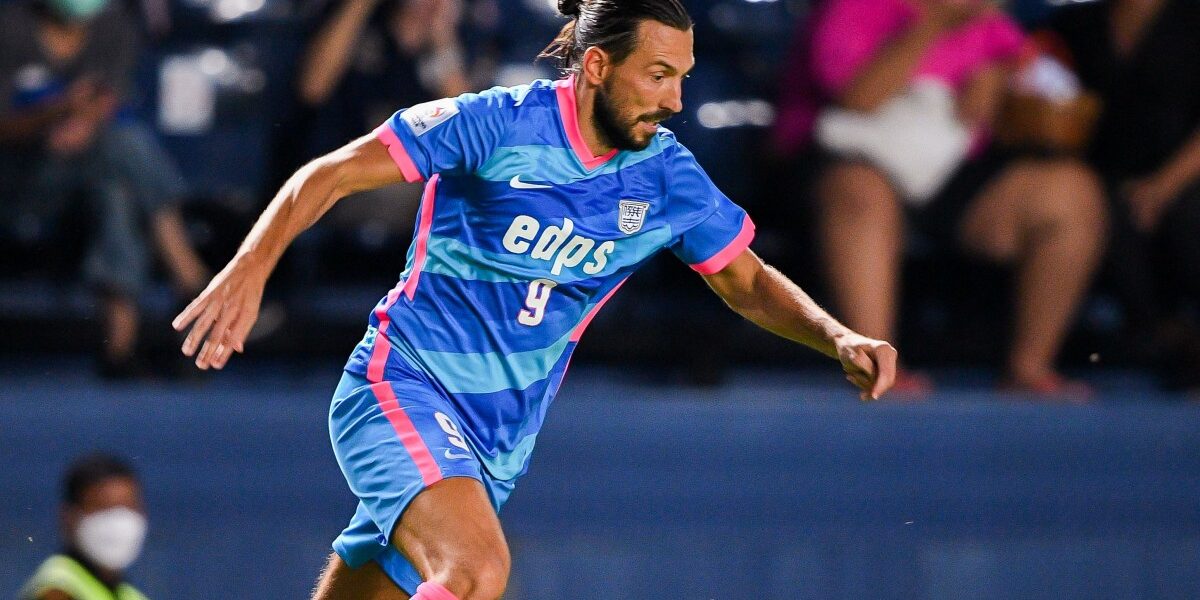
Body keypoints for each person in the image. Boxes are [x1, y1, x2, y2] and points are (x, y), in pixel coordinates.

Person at [173, 1, 898, 598]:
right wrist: (250, 264)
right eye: (657, 75)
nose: (676, 99)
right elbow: (328, 175)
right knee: (477, 572)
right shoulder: (496, 123)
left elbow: (745, 280)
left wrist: (836, 337)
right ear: (596, 66)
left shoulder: (665, 175)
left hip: (498, 445)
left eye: (682, 77)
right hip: (403, 388)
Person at [780, 0, 1107, 396]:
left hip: (952, 171)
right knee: (860, 191)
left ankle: (1029, 368)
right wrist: (932, 25)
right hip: (848, 159)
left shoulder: (988, 19)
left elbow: (998, 111)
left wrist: (996, 81)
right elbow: (857, 99)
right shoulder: (853, 7)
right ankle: (873, 364)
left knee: (1072, 193)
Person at [0, 0, 210, 378]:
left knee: (116, 190)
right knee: (122, 146)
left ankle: (119, 351)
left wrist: (84, 122)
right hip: (21, 181)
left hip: (89, 172)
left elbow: (108, 100)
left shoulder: (114, 26)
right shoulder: (9, 27)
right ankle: (191, 278)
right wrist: (57, 112)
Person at [1049, 0, 1200, 391]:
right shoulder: (1075, 25)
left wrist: (1163, 186)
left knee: (1188, 214)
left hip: (1186, 175)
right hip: (1103, 179)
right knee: (1095, 206)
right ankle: (1166, 336)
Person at [19, 454, 149, 600]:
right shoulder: (56, 590)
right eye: (103, 507)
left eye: (128, 506)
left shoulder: (131, 595)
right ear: (69, 516)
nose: (118, 523)